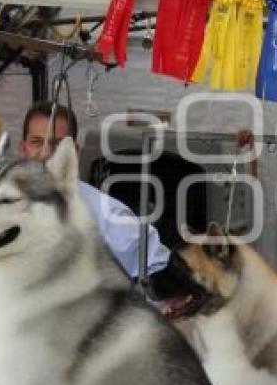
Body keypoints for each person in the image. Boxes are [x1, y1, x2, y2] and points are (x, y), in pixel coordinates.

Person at [20, 101, 170, 278]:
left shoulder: (109, 216)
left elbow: (159, 272)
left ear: (75, 152)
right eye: (36, 142)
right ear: (23, 150)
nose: (45, 153)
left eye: (56, 144)